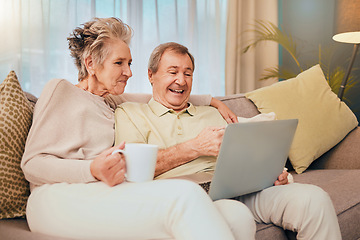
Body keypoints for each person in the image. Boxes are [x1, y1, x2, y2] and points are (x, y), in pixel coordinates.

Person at [21, 17, 256, 240]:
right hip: (55, 198)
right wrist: (91, 169)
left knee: (237, 215)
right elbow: (31, 164)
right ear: (91, 63)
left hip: (99, 192)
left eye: (129, 63)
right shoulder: (62, 90)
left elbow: (156, 95)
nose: (129, 72)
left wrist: (212, 100)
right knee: (185, 194)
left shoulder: (110, 100)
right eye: (119, 63)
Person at [114, 42, 342, 240]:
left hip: (239, 189)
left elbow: (244, 156)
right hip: (191, 199)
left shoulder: (213, 113)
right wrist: (194, 147)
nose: (181, 81)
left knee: (314, 198)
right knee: (236, 216)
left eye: (188, 73)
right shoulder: (131, 113)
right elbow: (133, 170)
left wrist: (271, 173)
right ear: (151, 75)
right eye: (172, 72)